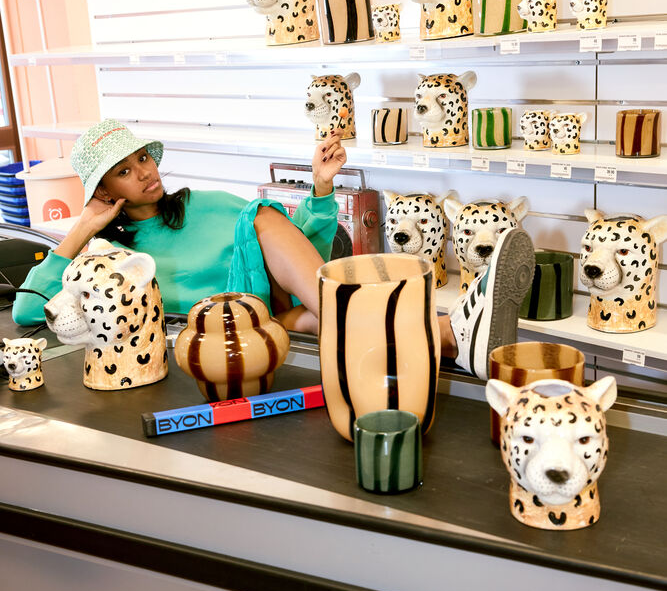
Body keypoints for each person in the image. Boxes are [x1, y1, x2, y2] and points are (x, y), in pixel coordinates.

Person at [13, 119, 535, 381]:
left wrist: (322, 186)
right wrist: (82, 228)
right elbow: (29, 312)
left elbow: (294, 242)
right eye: (124, 172)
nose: (145, 173)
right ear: (105, 190)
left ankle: (452, 339)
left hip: (271, 309)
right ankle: (448, 334)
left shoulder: (205, 204)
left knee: (282, 254)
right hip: (224, 330)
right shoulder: (107, 255)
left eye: (142, 159)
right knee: (301, 294)